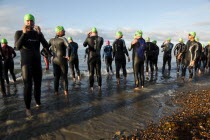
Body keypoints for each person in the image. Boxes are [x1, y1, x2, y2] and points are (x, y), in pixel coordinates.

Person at [15, 14, 50, 116]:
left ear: (34, 22)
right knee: (28, 86)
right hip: (26, 64)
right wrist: (24, 34)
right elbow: (17, 47)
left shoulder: (37, 34)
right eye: (27, 21)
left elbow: (46, 45)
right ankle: (28, 108)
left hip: (37, 63)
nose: (29, 23)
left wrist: (40, 34)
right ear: (25, 22)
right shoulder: (19, 33)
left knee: (38, 85)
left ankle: (38, 103)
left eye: (31, 21)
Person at [49, 26, 70, 95]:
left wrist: (50, 55)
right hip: (62, 59)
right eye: (63, 30)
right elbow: (69, 47)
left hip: (54, 60)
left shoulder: (51, 39)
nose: (65, 31)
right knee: (64, 76)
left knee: (56, 76)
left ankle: (56, 91)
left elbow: (45, 49)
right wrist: (68, 56)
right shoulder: (63, 39)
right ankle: (66, 92)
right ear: (59, 31)